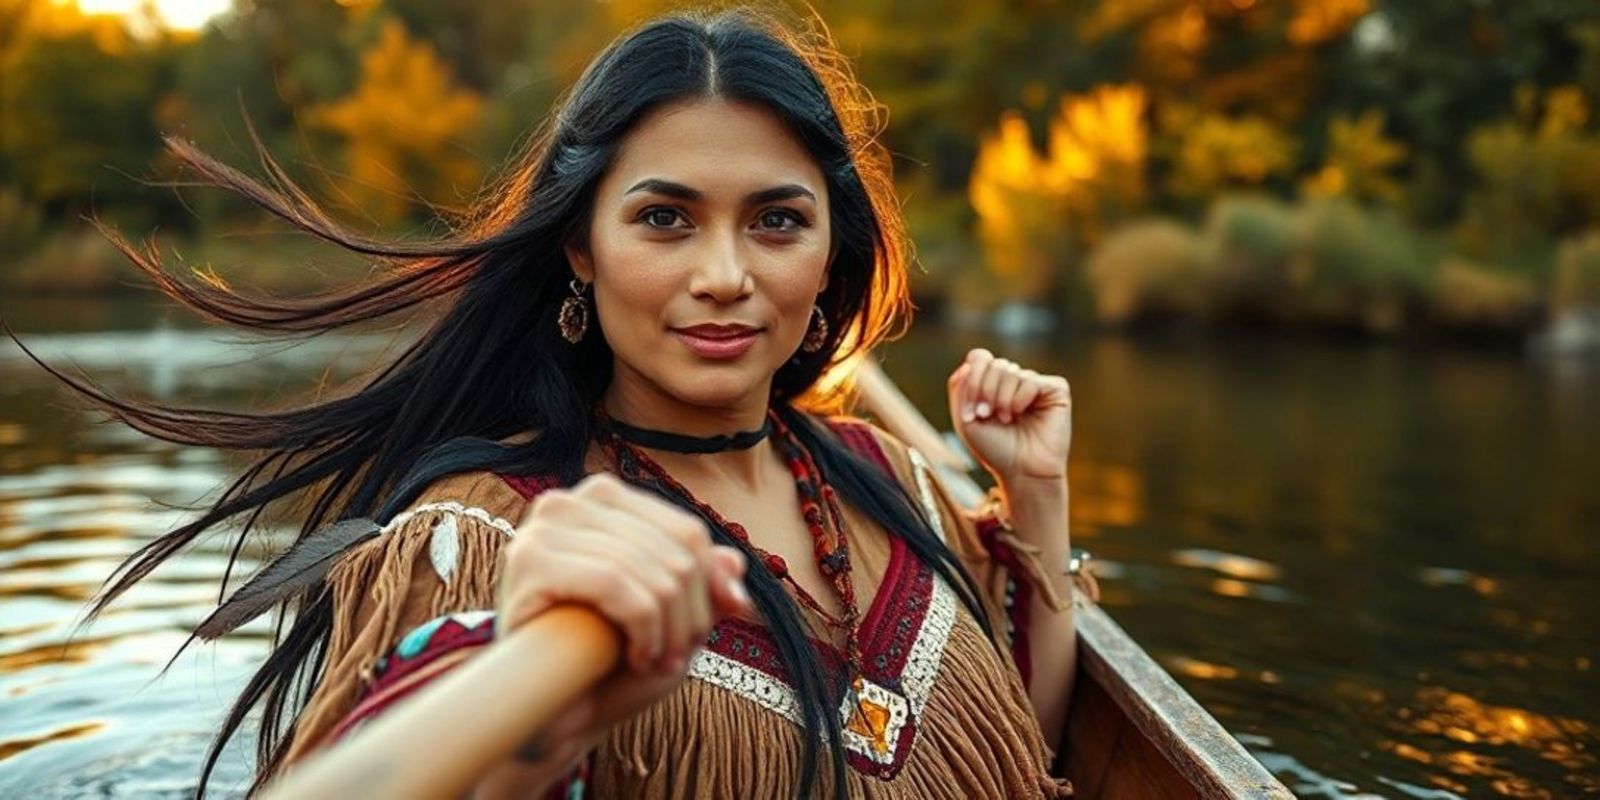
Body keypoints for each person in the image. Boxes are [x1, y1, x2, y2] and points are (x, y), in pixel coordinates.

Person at [46, 8, 1093, 798]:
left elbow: (1021, 750)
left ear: (831, 255)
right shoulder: (481, 530)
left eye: (776, 220)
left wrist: (1033, 492)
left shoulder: (885, 471)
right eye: (665, 219)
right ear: (580, 249)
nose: (726, 273)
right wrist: (541, 673)